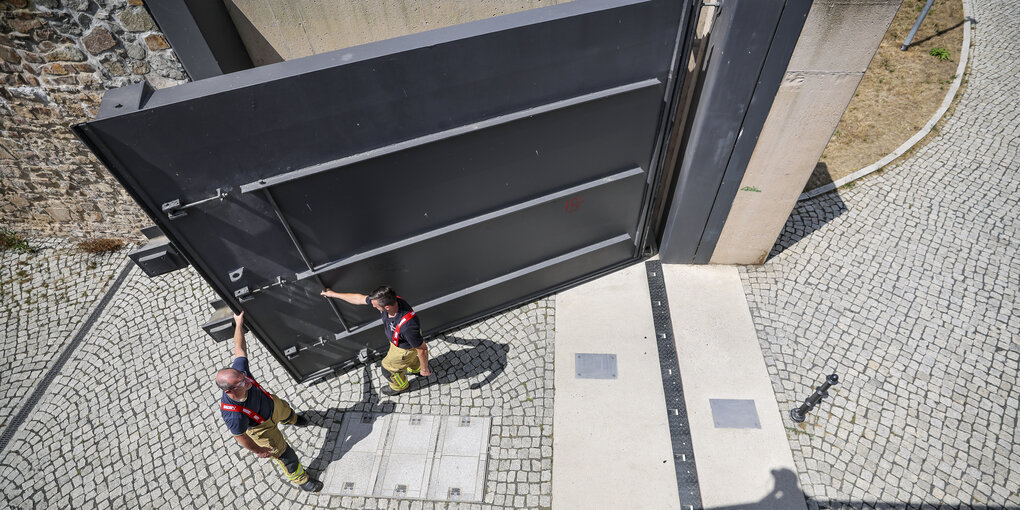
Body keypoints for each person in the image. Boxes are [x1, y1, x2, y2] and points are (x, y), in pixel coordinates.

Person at [214, 311, 323, 492]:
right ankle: (302, 480)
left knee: (287, 411)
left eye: (244, 376)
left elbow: (239, 348)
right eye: (242, 382)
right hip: (262, 430)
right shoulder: (232, 414)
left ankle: (293, 420)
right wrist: (258, 450)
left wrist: (238, 323)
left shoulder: (241, 374)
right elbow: (240, 436)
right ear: (230, 391)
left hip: (273, 406)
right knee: (286, 456)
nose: (248, 380)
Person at [320, 285, 432, 395]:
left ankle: (399, 386)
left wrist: (425, 369)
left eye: (376, 306)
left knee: (387, 369)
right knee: (410, 358)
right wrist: (333, 294)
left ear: (387, 307)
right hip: (404, 340)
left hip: (403, 349)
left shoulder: (408, 327)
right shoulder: (390, 300)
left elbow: (422, 349)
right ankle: (415, 369)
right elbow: (359, 299)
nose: (373, 307)